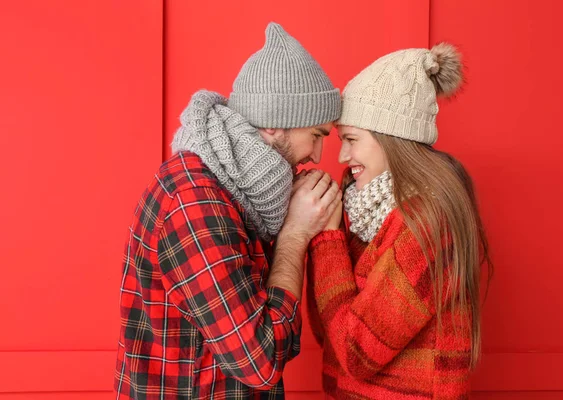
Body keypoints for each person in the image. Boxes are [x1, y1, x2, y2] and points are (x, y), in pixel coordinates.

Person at [114, 22, 342, 399]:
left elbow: (269, 331)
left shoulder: (242, 190)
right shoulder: (196, 202)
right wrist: (295, 236)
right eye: (316, 135)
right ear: (274, 123)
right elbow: (261, 361)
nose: (317, 157)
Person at [305, 43, 492, 399]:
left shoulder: (426, 224)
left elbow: (354, 352)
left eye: (351, 140)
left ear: (391, 141)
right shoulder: (364, 210)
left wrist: (327, 239)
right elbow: (327, 327)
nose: (343, 156)